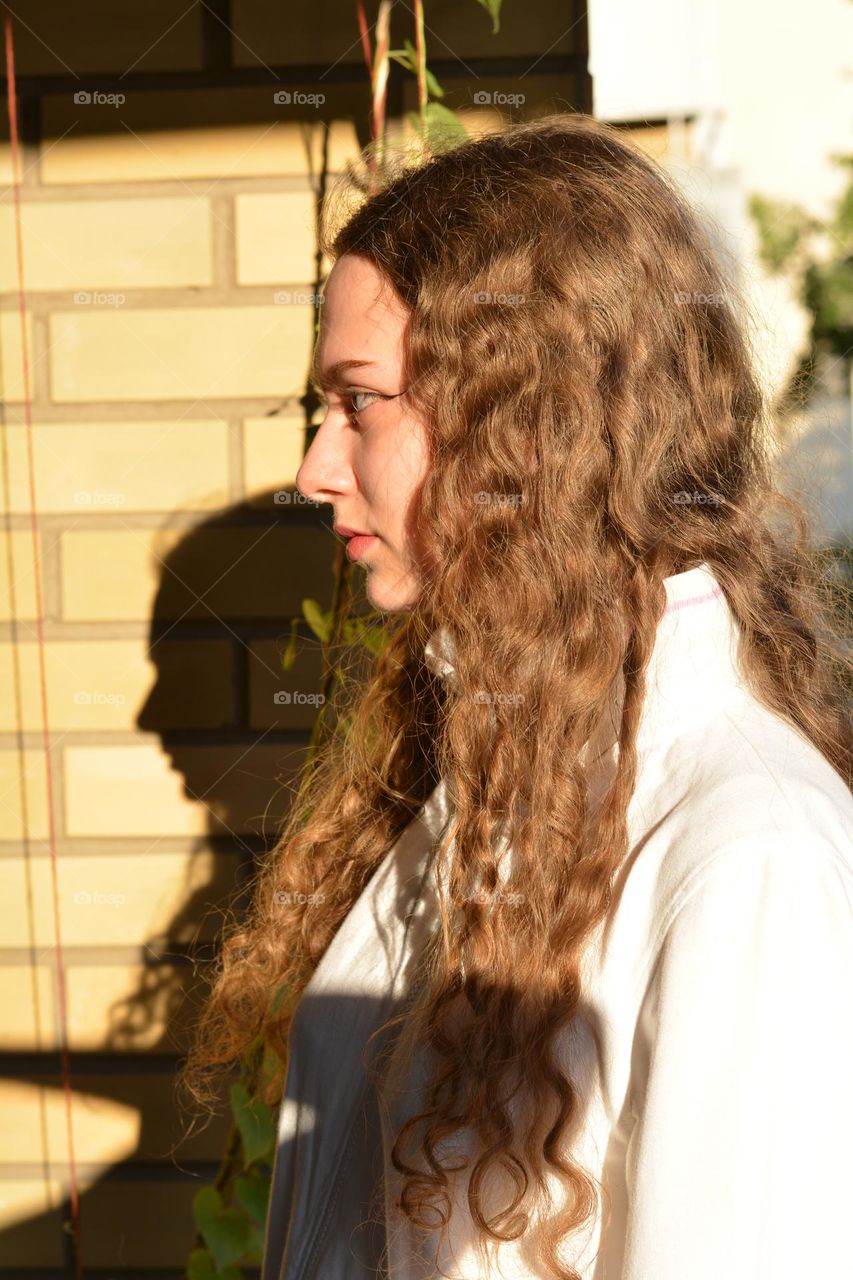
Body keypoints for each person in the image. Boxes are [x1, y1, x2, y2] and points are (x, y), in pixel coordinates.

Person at [176, 113, 853, 1280]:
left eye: (360, 403)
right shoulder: (482, 772)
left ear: (520, 420)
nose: (314, 468)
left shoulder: (749, 851)